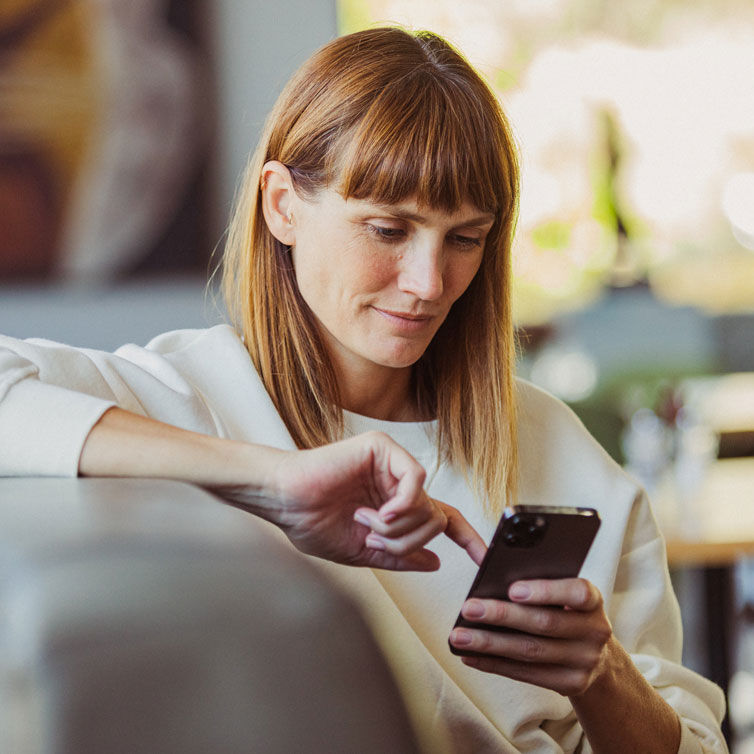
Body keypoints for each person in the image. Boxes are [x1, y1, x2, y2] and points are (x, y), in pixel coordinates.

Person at [0, 26, 726, 753]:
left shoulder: (559, 451)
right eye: (388, 229)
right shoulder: (186, 399)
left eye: (465, 238)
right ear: (282, 205)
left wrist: (599, 676)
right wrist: (274, 479)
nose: (428, 283)